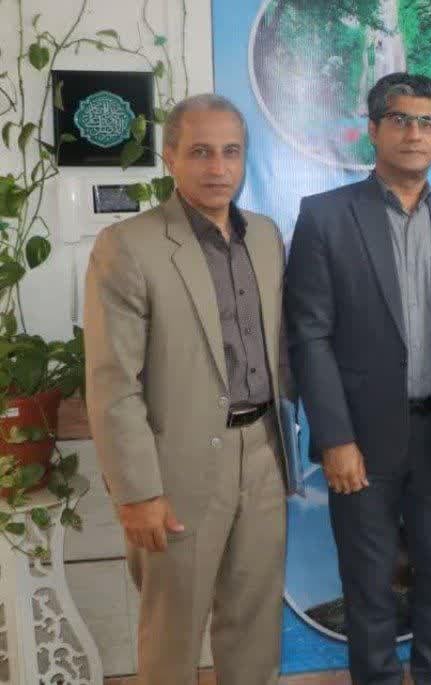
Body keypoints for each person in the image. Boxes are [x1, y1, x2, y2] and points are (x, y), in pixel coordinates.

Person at [284, 72, 431, 685]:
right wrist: (334, 438)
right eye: (401, 120)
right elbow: (310, 336)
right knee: (368, 583)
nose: (415, 133)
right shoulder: (326, 217)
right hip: (362, 441)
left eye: (427, 122)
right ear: (374, 130)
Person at [84, 93, 290, 684]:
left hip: (263, 455)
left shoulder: (266, 238)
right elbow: (113, 383)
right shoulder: (128, 246)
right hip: (175, 470)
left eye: (231, 152)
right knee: (172, 638)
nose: (218, 167)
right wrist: (138, 492)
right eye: (200, 152)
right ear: (170, 156)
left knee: (255, 630)